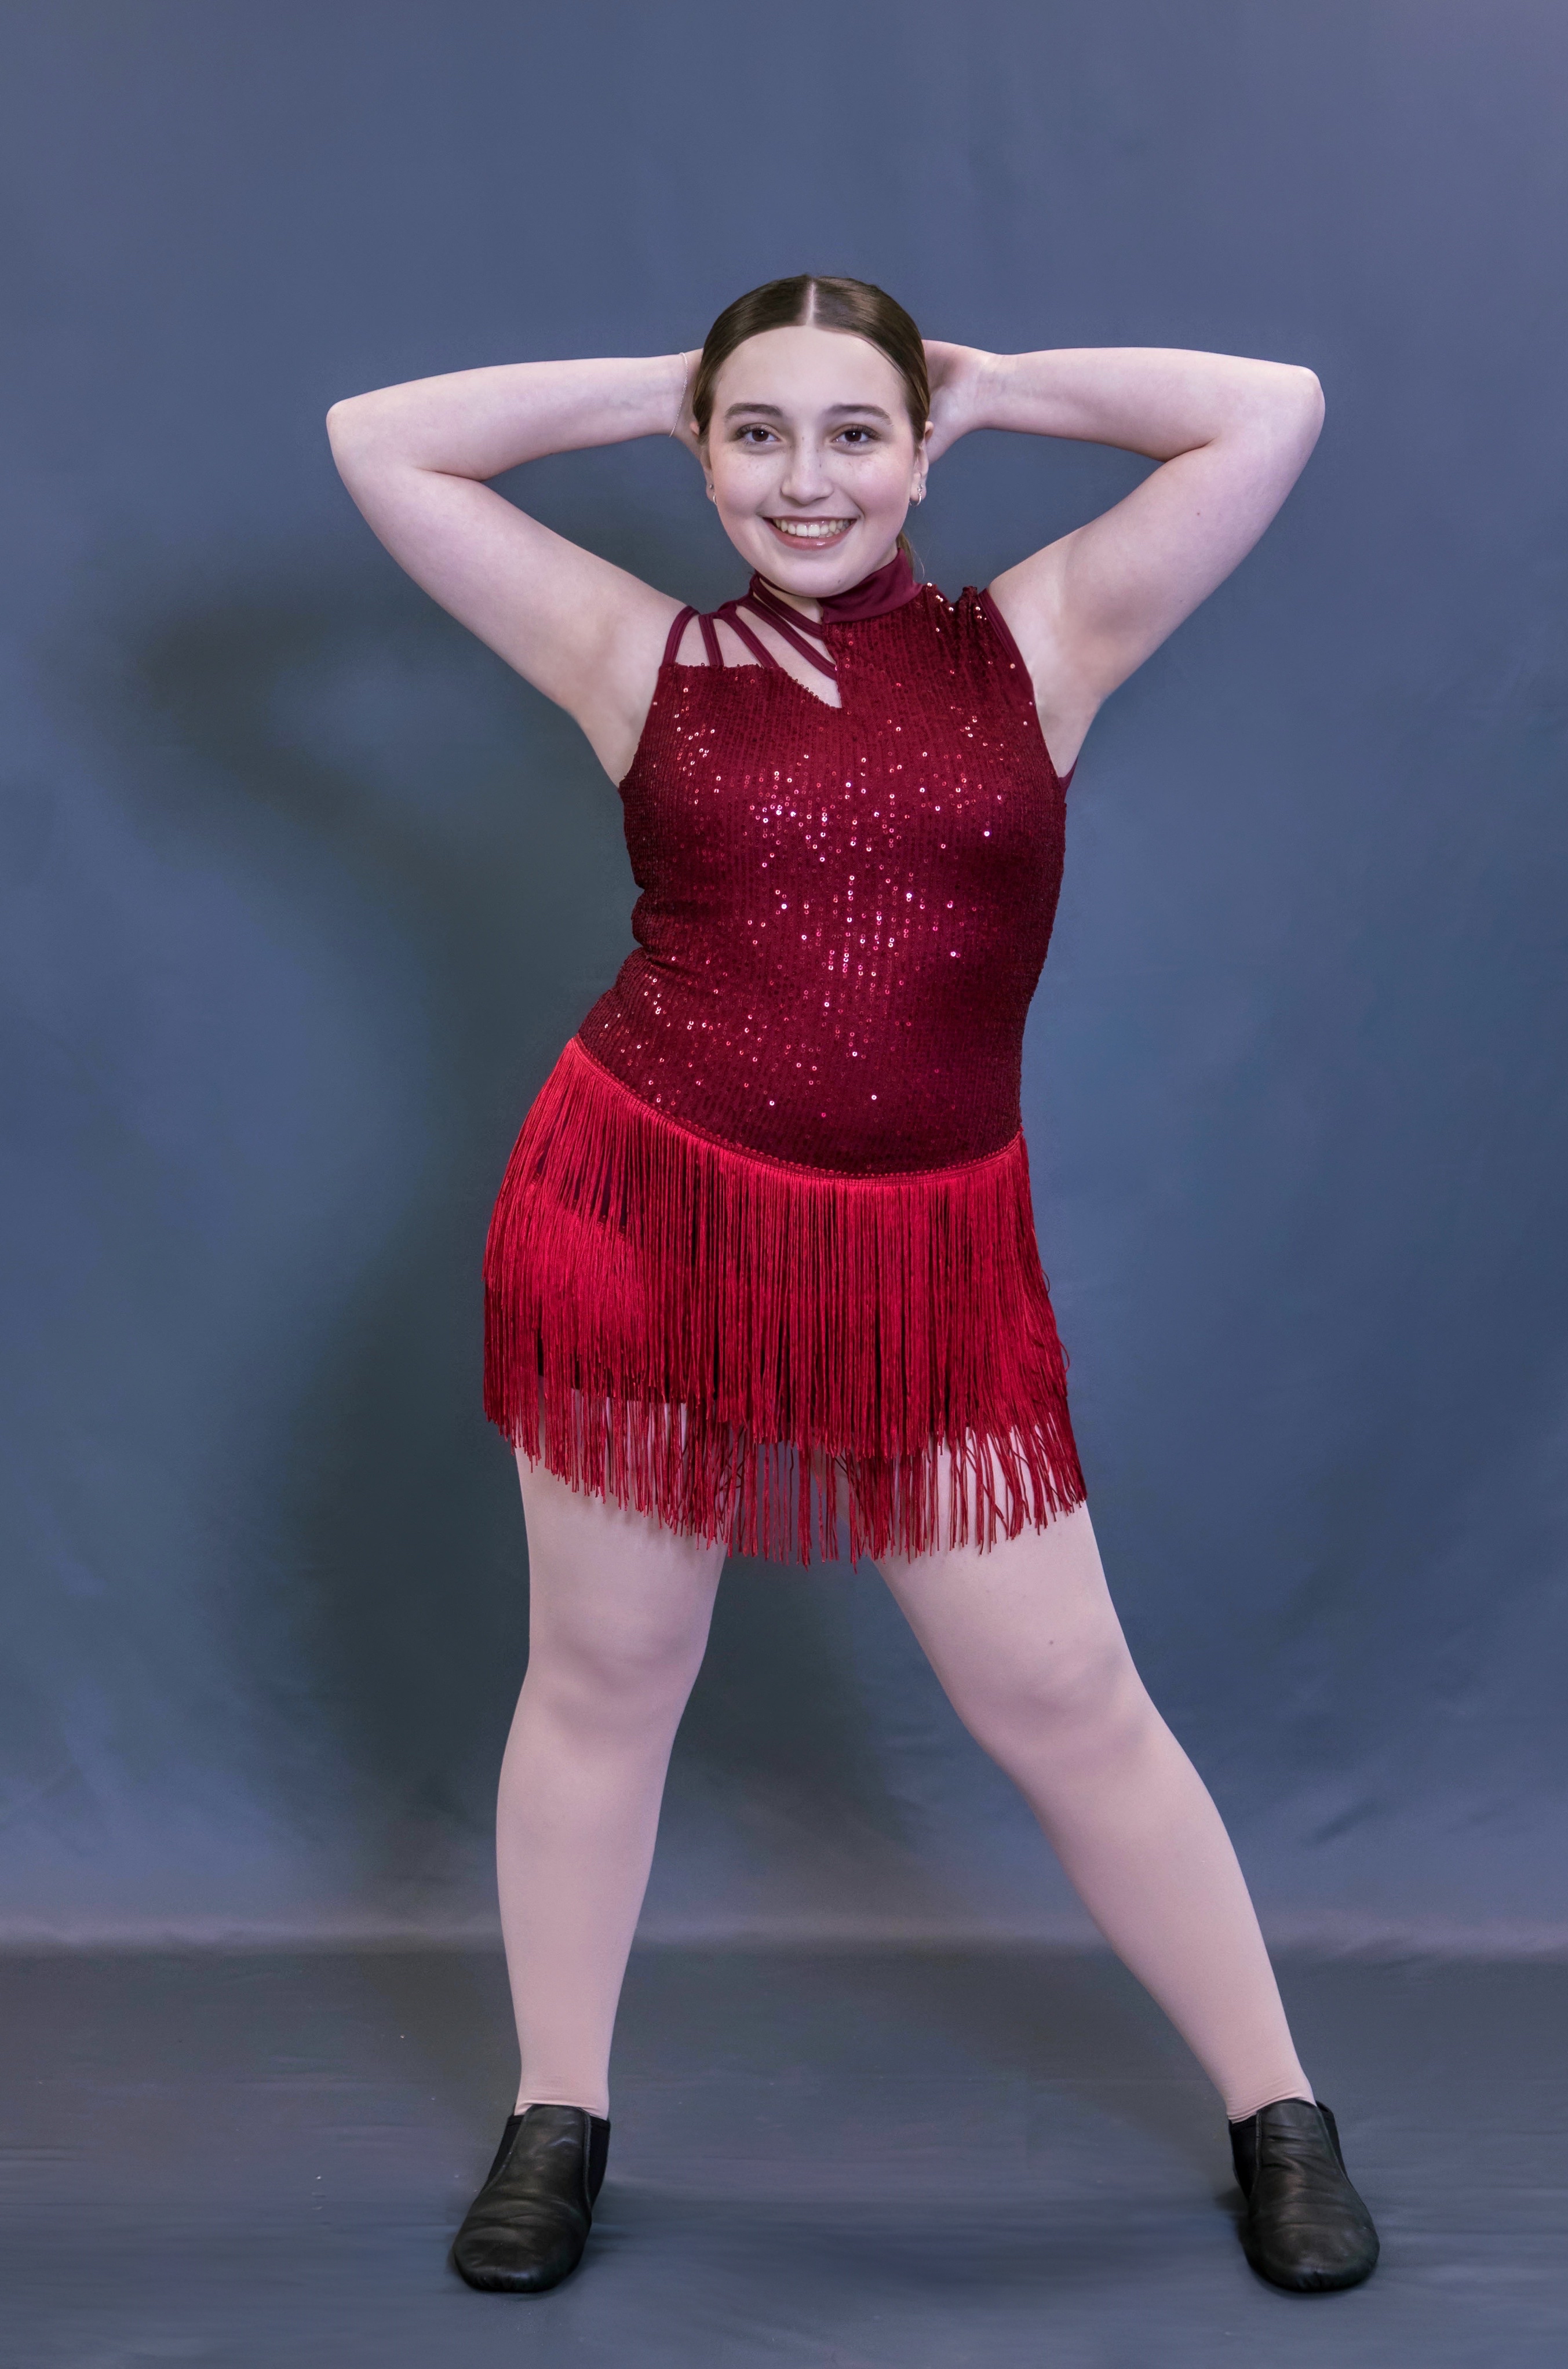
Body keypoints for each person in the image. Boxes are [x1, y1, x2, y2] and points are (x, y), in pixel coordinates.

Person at [325, 274, 1379, 2299]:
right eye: (755, 436)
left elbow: (1276, 404)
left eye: (854, 433)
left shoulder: (1045, 638)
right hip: (645, 1210)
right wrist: (658, 383)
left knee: (1065, 1694)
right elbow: (382, 434)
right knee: (610, 1681)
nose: (804, 479)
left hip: (923, 1257)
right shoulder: (634, 651)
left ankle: (1280, 2109)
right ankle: (559, 2113)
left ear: (917, 448)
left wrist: (997, 389)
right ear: (706, 452)